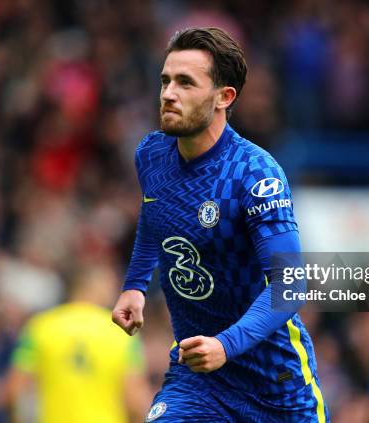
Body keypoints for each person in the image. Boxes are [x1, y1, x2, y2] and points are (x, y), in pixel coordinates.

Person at [111, 27, 329, 422]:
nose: (167, 93)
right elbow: (154, 215)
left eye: (185, 83)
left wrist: (225, 346)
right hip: (197, 382)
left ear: (223, 97)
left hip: (275, 386)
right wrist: (135, 285)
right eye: (165, 81)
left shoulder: (254, 173)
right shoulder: (151, 155)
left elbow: (291, 283)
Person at [6, 266, 151, 423]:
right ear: (95, 286)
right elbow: (136, 402)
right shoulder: (122, 333)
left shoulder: (40, 327)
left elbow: (13, 392)